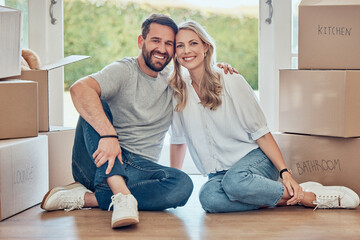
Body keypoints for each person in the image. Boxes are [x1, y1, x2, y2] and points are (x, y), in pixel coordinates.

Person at [40, 14, 236, 228]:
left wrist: (217, 68)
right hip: (98, 162)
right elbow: (79, 89)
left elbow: (199, 72)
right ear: (141, 42)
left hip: (138, 171)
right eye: (155, 40)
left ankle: (89, 199)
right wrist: (108, 135)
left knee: (182, 185)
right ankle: (122, 196)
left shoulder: (174, 80)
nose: (162, 48)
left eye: (169, 43)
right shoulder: (124, 71)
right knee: (95, 101)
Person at [169, 20, 360, 213]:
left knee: (235, 182)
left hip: (256, 160)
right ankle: (285, 197)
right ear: (175, 53)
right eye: (180, 45)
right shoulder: (178, 92)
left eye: (193, 43)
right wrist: (174, 183)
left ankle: (307, 195)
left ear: (205, 47)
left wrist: (285, 173)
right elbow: (177, 141)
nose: (186, 50)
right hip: (220, 174)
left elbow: (262, 133)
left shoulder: (230, 80)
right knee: (208, 198)